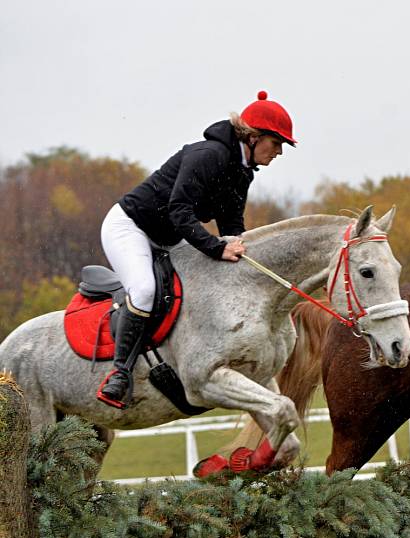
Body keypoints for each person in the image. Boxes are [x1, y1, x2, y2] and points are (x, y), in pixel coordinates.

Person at [97, 90, 296, 408]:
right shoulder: (209, 155)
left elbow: (231, 220)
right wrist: (216, 249)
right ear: (255, 137)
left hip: (168, 237)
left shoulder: (242, 170)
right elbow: (179, 210)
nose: (280, 152)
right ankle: (119, 373)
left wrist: (237, 247)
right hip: (130, 227)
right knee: (146, 290)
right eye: (277, 143)